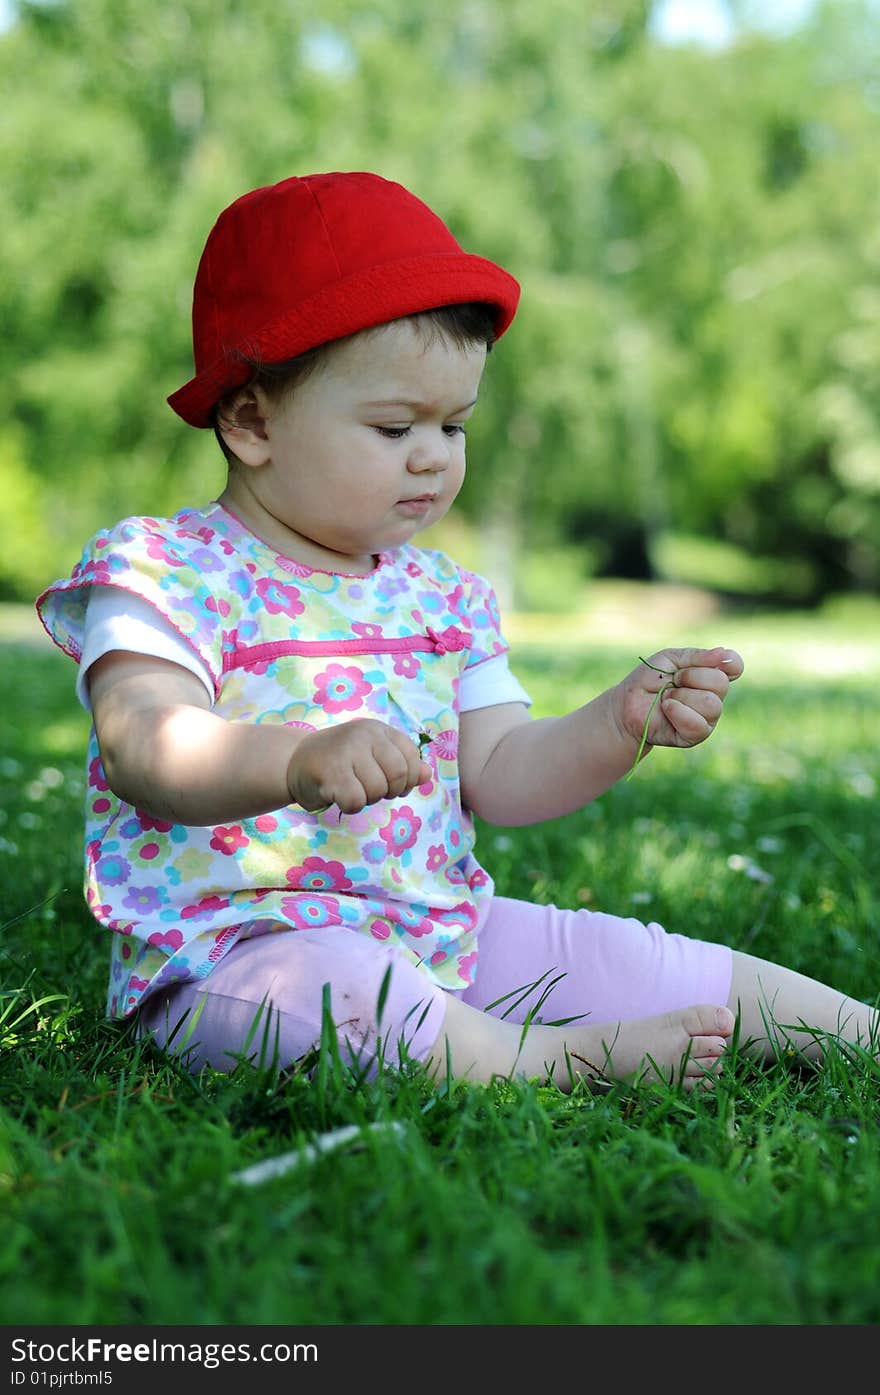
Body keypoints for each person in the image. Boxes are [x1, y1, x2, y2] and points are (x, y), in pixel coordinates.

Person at [37, 171, 877, 1094]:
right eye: (396, 425)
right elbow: (144, 744)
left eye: (455, 424)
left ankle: (854, 1030)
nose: (434, 455)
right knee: (344, 994)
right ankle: (563, 1064)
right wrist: (293, 758)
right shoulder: (164, 571)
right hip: (232, 965)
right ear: (250, 420)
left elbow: (504, 773)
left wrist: (614, 723)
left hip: (439, 937)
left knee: (614, 953)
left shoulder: (442, 597)